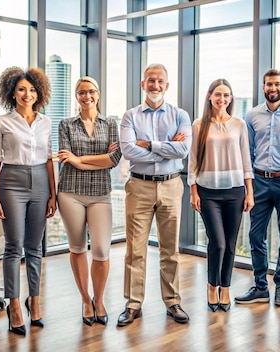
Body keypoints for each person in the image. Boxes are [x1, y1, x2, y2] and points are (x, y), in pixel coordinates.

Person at [118, 63, 192, 326]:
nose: (155, 85)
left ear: (167, 85)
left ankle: (172, 302)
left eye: (160, 81)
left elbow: (183, 150)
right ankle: (133, 304)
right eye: (150, 80)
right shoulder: (130, 116)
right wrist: (167, 147)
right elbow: (128, 151)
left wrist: (148, 144)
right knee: (135, 249)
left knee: (170, 249)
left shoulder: (180, 114)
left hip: (172, 185)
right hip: (139, 186)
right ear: (143, 84)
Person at [0, 67, 57, 336]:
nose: (27, 94)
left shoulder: (46, 122)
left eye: (32, 90)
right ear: (12, 93)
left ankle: (34, 300)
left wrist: (53, 194)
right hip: (11, 182)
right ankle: (14, 304)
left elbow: (50, 160)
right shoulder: (1, 122)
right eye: (21, 89)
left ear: (38, 93)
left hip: (41, 181)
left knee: (35, 247)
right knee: (14, 246)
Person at [235, 69, 280, 306]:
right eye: (268, 84)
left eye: (277, 84)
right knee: (255, 236)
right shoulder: (252, 115)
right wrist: (249, 181)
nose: (272, 88)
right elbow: (247, 150)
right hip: (259, 181)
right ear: (263, 87)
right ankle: (260, 287)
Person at [56, 76, 122, 326]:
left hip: (100, 194)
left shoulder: (111, 123)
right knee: (77, 248)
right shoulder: (66, 124)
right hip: (70, 192)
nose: (87, 96)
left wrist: (79, 159)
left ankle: (100, 299)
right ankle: (86, 300)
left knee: (102, 251)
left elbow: (113, 160)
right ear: (76, 96)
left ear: (98, 94)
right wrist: (98, 157)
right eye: (82, 92)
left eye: (91, 91)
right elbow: (65, 157)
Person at [188, 79, 254, 312]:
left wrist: (250, 192)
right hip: (208, 192)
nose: (222, 99)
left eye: (227, 95)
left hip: (236, 191)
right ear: (209, 96)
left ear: (231, 98)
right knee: (218, 242)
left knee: (231, 244)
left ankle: (225, 287)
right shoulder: (199, 125)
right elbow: (193, 161)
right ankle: (211, 285)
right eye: (218, 94)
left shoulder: (239, 124)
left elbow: (246, 160)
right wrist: (193, 191)